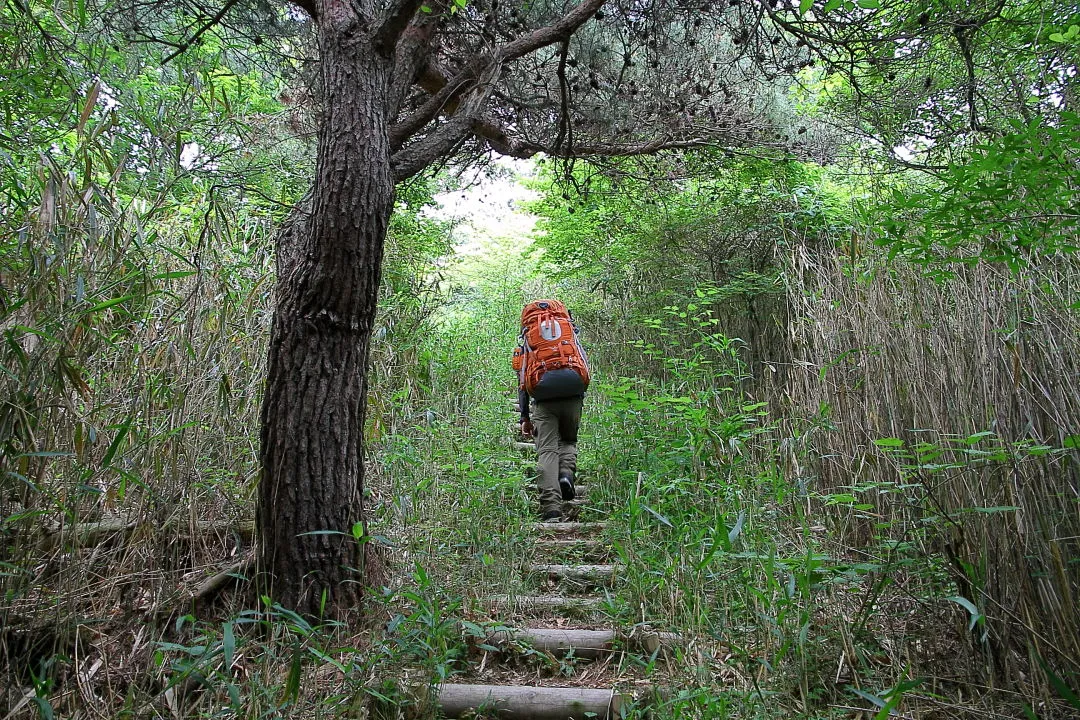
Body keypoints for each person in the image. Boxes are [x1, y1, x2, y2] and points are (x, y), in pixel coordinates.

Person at [512, 299, 591, 522]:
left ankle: (551, 508)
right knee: (568, 441)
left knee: (547, 451)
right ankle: (566, 474)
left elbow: (522, 381)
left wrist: (524, 416)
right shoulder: (568, 336)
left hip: (543, 398)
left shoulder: (528, 342)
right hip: (573, 394)